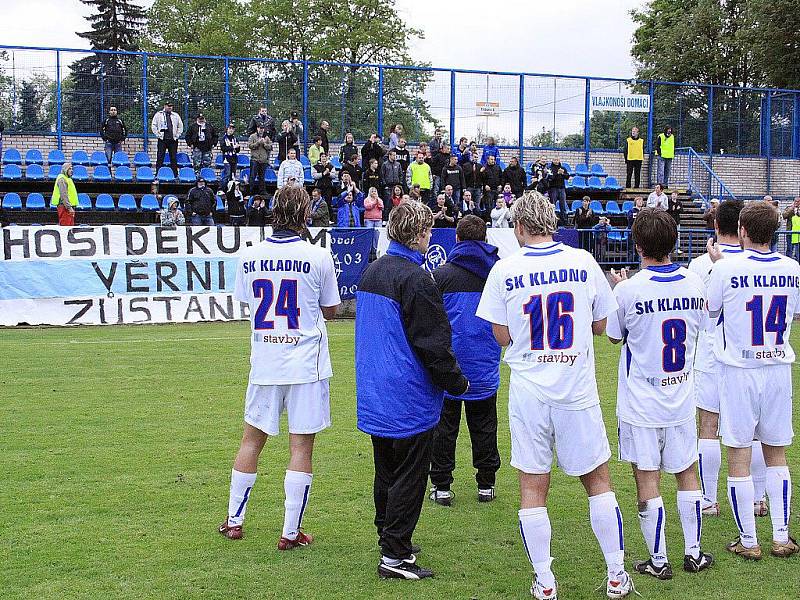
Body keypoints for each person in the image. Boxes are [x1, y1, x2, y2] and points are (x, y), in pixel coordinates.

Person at [476, 191, 633, 600]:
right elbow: (602, 325)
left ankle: (545, 581)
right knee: (598, 480)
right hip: (576, 388)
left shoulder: (505, 269)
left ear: (520, 227)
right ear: (552, 221)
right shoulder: (582, 261)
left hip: (529, 390)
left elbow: (500, 334)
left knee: (533, 486)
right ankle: (616, 573)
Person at [219, 185, 341, 550]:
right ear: (305, 214)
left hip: (266, 362)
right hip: (306, 364)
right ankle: (290, 532)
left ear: (273, 212)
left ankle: (234, 520)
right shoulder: (318, 256)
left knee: (251, 441)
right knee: (300, 448)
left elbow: (248, 303)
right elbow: (332, 311)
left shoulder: (250, 256)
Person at [356, 201, 469, 580]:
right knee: (409, 475)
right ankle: (395, 553)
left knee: (386, 469)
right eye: (427, 231)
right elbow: (434, 344)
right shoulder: (418, 279)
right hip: (407, 396)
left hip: (375, 390)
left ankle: (388, 535)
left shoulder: (372, 271)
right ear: (420, 234)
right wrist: (458, 382)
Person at [607, 208, 713, 581]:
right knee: (687, 472)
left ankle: (659, 560)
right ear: (676, 242)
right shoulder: (695, 284)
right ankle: (694, 553)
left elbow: (614, 336)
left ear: (637, 246)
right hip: (682, 396)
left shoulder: (628, 289)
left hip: (640, 403)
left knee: (647, 478)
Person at [706, 200, 800, 560]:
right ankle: (780, 535)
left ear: (742, 230)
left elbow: (711, 310)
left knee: (739, 454)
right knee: (777, 454)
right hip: (777, 368)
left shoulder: (727, 269)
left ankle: (748, 541)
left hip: (739, 370)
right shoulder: (792, 268)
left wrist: (720, 270)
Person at [686, 200, 766, 518]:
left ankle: (708, 499)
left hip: (709, 352)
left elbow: (696, 311)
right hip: (749, 354)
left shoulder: (699, 264)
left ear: (716, 226)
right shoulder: (755, 261)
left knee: (708, 425)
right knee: (756, 429)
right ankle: (759, 498)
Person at [430, 216, 502, 505]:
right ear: (485, 240)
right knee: (484, 425)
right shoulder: (497, 274)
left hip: (449, 365)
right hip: (485, 361)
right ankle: (486, 484)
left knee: (445, 427)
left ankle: (442, 485)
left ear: (457, 239)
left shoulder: (441, 276)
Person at [151, 101, 184, 177]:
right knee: (160, 157)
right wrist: (158, 135)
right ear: (164, 106)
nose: (170, 107)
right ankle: (158, 174)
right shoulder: (158, 115)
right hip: (162, 140)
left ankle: (175, 175)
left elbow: (180, 126)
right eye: (168, 106)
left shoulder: (176, 115)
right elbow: (154, 126)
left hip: (173, 140)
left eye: (171, 106)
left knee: (173, 157)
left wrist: (177, 136)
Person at [248, 124, 273, 196]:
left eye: (262, 128)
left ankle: (262, 191)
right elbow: (250, 146)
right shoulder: (252, 136)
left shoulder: (267, 138)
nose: (261, 129)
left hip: (263, 160)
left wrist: (265, 143)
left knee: (262, 177)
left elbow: (270, 147)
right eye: (260, 128)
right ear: (257, 128)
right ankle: (250, 191)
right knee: (252, 176)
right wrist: (258, 143)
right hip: (255, 159)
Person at [380, 149, 404, 219]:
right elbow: (382, 175)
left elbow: (401, 174)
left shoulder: (398, 164)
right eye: (393, 155)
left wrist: (400, 183)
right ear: (389, 155)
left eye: (395, 155)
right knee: (387, 204)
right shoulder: (385, 164)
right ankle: (386, 219)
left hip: (396, 186)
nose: (395, 156)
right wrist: (385, 185)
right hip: (388, 187)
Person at [548, 159, 570, 226]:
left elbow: (567, 177)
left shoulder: (563, 168)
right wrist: (557, 174)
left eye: (557, 160)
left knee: (563, 206)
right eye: (555, 160)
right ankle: (552, 221)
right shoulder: (550, 168)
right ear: (553, 160)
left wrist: (562, 173)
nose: (556, 161)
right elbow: (550, 178)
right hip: (553, 188)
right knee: (552, 205)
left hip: (562, 188)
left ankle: (565, 221)